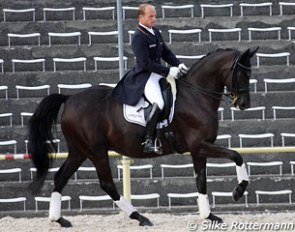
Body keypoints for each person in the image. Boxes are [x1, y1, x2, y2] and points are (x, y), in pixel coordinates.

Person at [112, 4, 188, 153]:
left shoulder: (155, 31)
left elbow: (166, 52)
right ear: (141, 17)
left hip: (158, 74)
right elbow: (145, 63)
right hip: (145, 76)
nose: (154, 19)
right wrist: (168, 70)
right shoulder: (138, 37)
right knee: (158, 102)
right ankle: (149, 140)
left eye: (155, 16)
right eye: (151, 16)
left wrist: (178, 64)